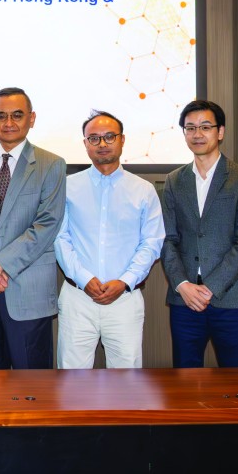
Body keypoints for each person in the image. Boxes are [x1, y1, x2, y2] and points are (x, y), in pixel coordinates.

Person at [0, 87, 65, 370]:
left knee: (33, 388)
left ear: (31, 118)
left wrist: (1, 265)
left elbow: (47, 224)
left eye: (17, 115)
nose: (8, 123)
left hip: (27, 290)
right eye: (1, 116)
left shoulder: (51, 164)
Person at [54, 110, 164, 368]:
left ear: (122, 140)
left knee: (127, 382)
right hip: (77, 298)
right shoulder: (68, 187)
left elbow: (152, 243)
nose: (102, 144)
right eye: (94, 138)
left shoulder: (143, 190)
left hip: (125, 299)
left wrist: (124, 282)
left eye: (109, 137)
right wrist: (85, 279)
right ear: (85, 144)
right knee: (73, 381)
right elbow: (60, 238)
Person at [160, 100, 238, 368]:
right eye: (190, 128)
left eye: (205, 127)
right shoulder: (174, 180)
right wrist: (183, 285)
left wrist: (210, 288)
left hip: (233, 300)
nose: (197, 134)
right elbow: (168, 239)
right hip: (185, 301)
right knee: (186, 384)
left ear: (220, 132)